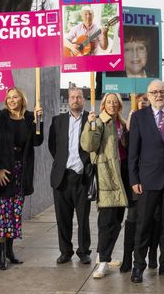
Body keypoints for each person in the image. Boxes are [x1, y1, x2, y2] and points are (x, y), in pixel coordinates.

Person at [127, 80, 164, 283]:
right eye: (154, 92)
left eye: (162, 91)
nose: (158, 95)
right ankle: (138, 266)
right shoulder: (139, 117)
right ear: (148, 95)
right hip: (147, 181)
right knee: (143, 225)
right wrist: (134, 179)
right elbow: (132, 152)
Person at [0, 87, 43, 270]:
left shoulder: (29, 117)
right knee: (3, 215)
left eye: (15, 97)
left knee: (14, 214)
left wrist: (38, 122)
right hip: (4, 171)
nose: (11, 100)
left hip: (21, 172)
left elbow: (37, 142)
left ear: (21, 99)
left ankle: (10, 251)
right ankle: (0, 254)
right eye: (8, 97)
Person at [81, 93, 129, 279]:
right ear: (103, 105)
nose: (112, 105)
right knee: (105, 222)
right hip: (107, 176)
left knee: (117, 221)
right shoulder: (99, 121)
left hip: (123, 174)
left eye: (115, 102)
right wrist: (90, 124)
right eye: (108, 102)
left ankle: (105, 256)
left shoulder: (122, 124)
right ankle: (102, 262)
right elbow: (89, 145)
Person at [47, 87, 92, 265]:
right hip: (62, 177)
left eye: (79, 97)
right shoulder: (57, 121)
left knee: (83, 218)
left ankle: (83, 251)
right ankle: (65, 251)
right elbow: (53, 146)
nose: (75, 100)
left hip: (82, 177)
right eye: (72, 97)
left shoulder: (91, 118)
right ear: (68, 99)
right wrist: (61, 163)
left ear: (84, 99)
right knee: (62, 217)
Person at [121, 93, 160, 272]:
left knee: (154, 220)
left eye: (146, 99)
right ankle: (128, 257)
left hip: (155, 180)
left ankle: (152, 255)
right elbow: (129, 149)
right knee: (133, 220)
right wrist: (130, 122)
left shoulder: (158, 119)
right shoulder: (132, 119)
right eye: (141, 99)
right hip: (137, 181)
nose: (144, 101)